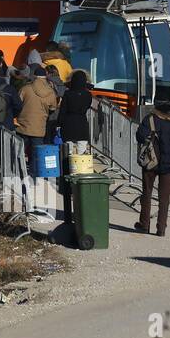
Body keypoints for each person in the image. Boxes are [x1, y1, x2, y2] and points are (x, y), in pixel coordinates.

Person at [134, 102, 170, 236]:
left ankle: (144, 224)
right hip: (168, 165)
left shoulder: (151, 119)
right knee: (164, 198)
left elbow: (140, 136)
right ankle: (161, 228)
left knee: (147, 193)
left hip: (151, 162)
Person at [56, 70, 95, 223]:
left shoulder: (67, 95)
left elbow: (63, 111)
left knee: (69, 153)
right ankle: (80, 177)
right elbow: (86, 106)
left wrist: (58, 125)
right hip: (82, 126)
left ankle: (68, 178)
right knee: (81, 153)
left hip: (69, 125)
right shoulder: (87, 96)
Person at [14, 65, 58, 160]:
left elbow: (17, 104)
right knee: (37, 154)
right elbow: (53, 108)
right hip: (39, 126)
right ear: (45, 76)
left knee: (19, 152)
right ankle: (35, 172)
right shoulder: (50, 91)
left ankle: (19, 171)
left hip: (23, 126)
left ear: (34, 76)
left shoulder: (25, 89)